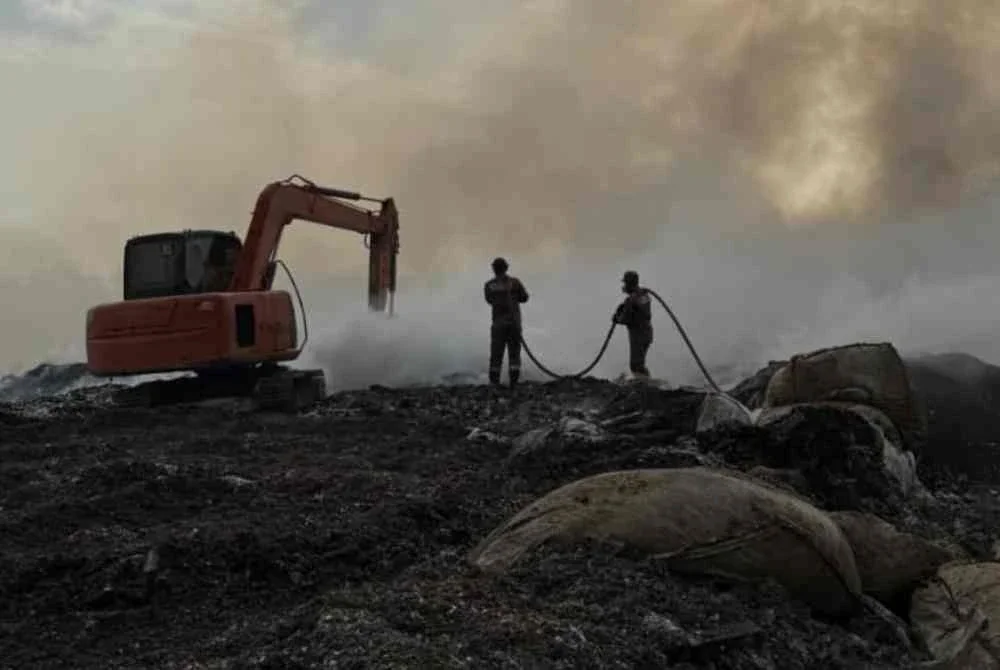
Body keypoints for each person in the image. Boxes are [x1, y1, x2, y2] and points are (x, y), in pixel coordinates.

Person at [484, 257, 529, 387]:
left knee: (496, 354)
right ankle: (513, 384)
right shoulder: (515, 283)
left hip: (498, 325)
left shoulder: (489, 285)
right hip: (514, 324)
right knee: (514, 354)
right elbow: (524, 297)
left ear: (494, 269)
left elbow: (489, 300)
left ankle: (494, 383)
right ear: (506, 268)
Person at [613, 270, 653, 379]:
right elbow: (642, 311)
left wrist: (617, 318)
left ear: (630, 284)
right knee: (638, 364)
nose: (624, 286)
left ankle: (645, 385)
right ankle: (645, 382)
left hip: (639, 335)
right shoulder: (643, 294)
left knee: (636, 365)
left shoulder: (631, 300)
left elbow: (626, 319)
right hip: (646, 333)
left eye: (625, 283)